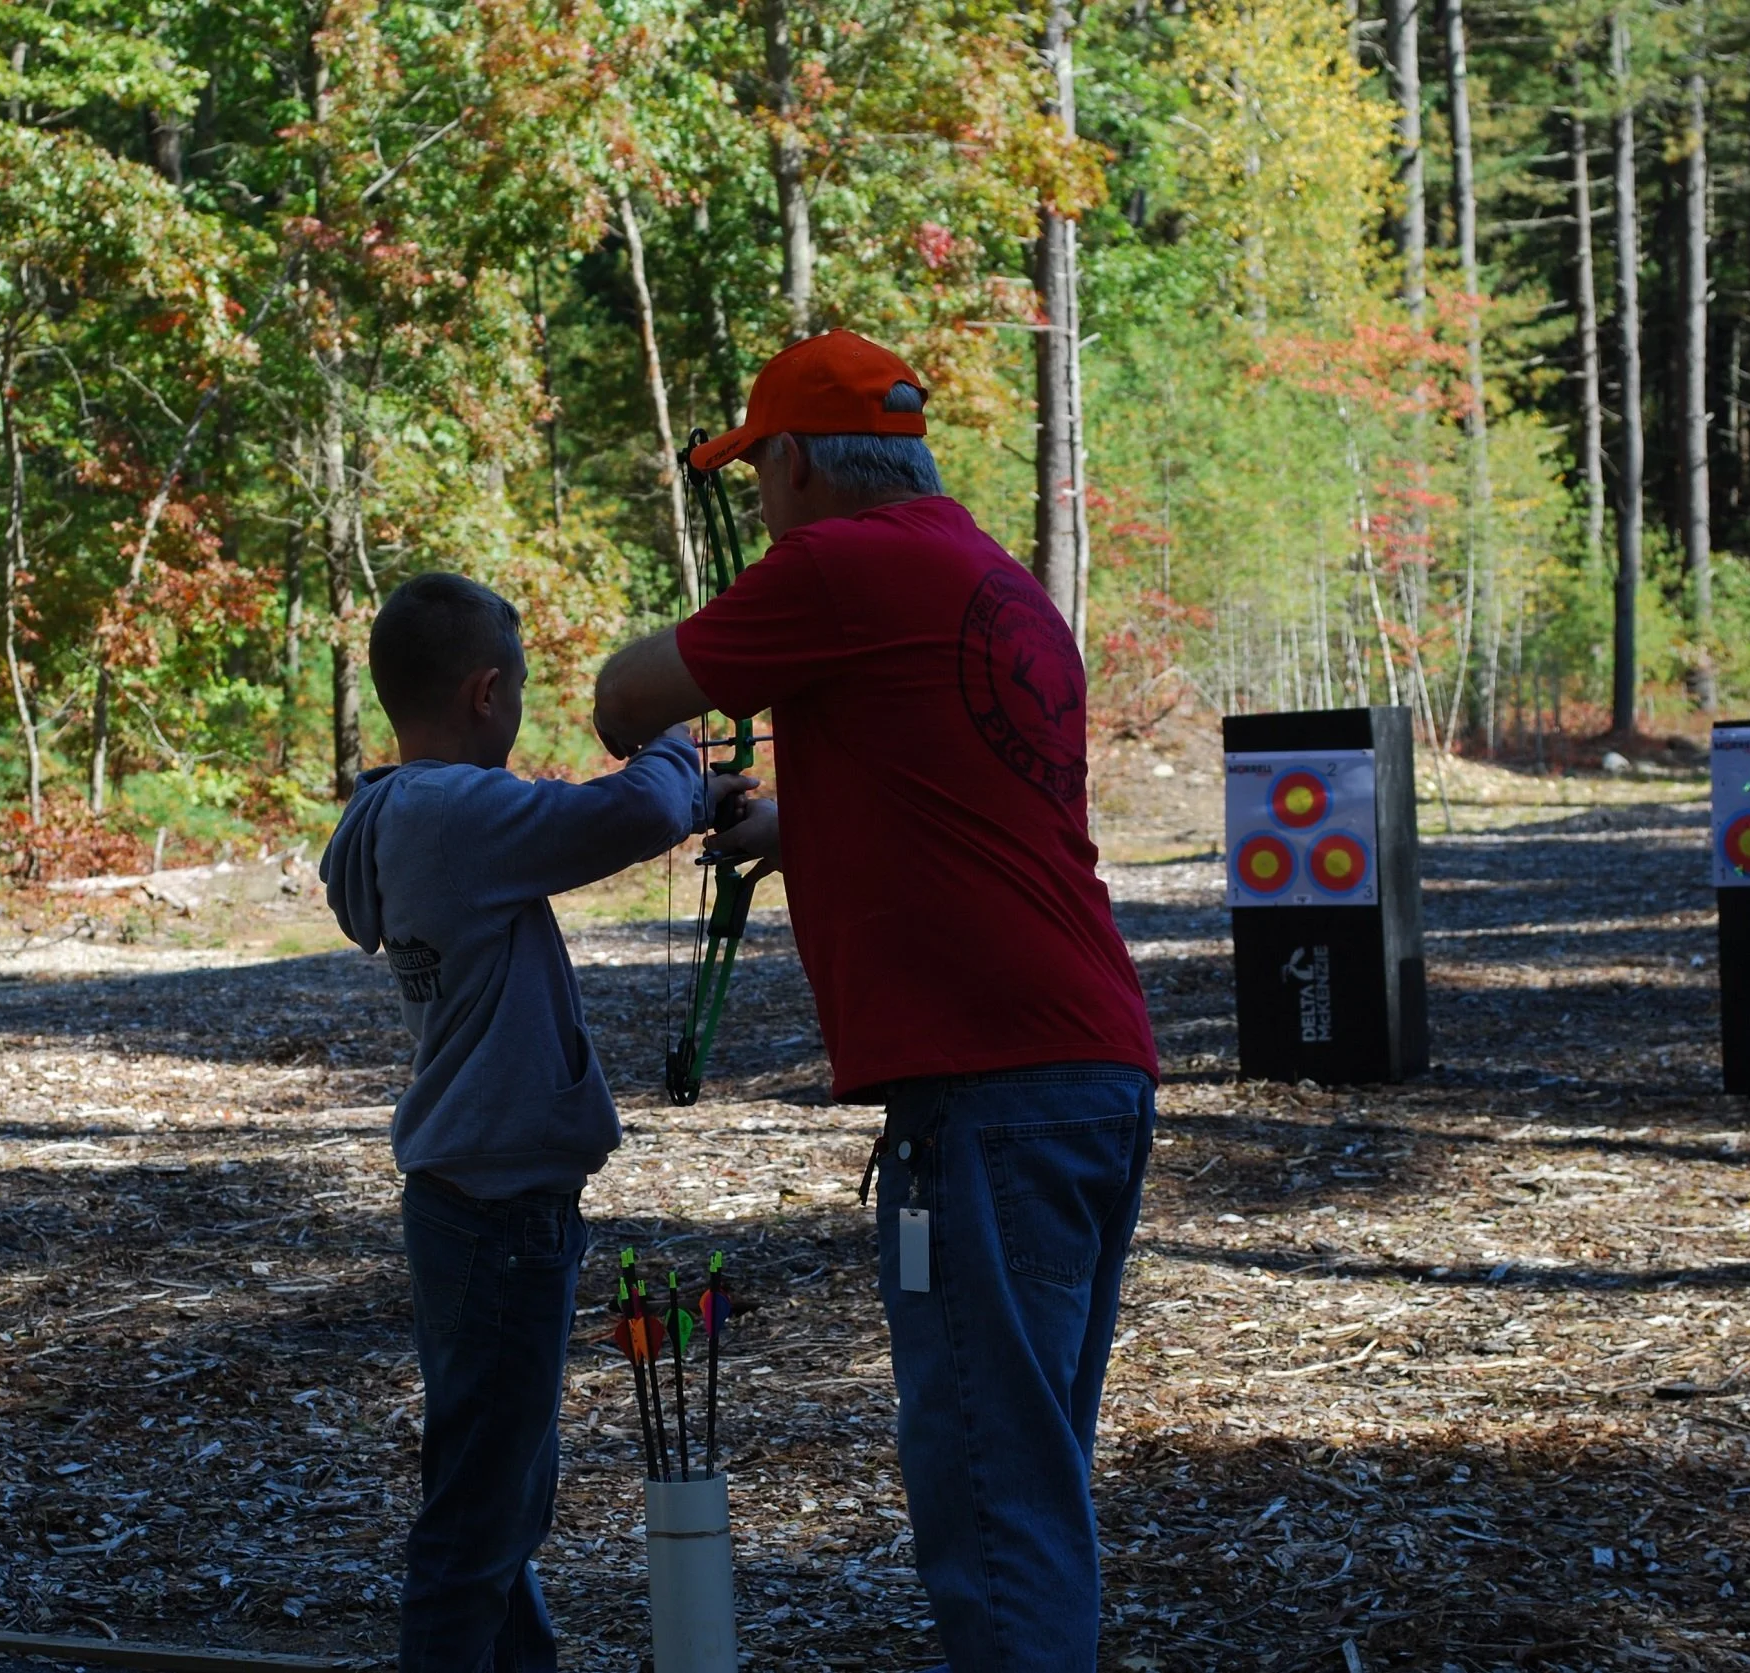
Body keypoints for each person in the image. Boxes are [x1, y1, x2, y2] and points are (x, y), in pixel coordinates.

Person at [593, 330, 1160, 1673]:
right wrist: (797, 822)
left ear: (794, 461)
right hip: (1080, 1071)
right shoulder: (989, 576)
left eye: (757, 471)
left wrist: (670, 741)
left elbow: (625, 701)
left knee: (991, 1496)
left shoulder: (841, 566)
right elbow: (961, 805)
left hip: (990, 1095)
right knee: (1028, 1468)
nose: (761, 503)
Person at [320, 572, 733, 1673]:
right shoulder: (449, 811)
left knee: (499, 1491)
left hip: (478, 1201)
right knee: (478, 1514)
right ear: (485, 690)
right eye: (520, 694)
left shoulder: (398, 812)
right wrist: (674, 731)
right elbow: (637, 809)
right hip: (498, 1210)